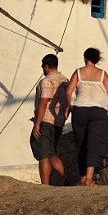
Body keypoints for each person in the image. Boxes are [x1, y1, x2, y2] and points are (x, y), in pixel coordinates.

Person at [65, 47, 108, 186]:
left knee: (81, 143)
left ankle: (82, 177)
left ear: (85, 57)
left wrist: (68, 107)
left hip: (80, 110)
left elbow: (68, 91)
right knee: (95, 143)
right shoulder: (103, 74)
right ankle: (89, 179)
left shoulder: (78, 72)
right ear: (97, 59)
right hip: (98, 112)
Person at [31, 53, 69, 185]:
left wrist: (37, 123)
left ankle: (45, 185)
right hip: (58, 123)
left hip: (45, 121)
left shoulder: (46, 81)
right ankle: (64, 179)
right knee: (52, 153)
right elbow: (68, 102)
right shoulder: (66, 81)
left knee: (43, 155)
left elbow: (43, 102)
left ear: (46, 67)